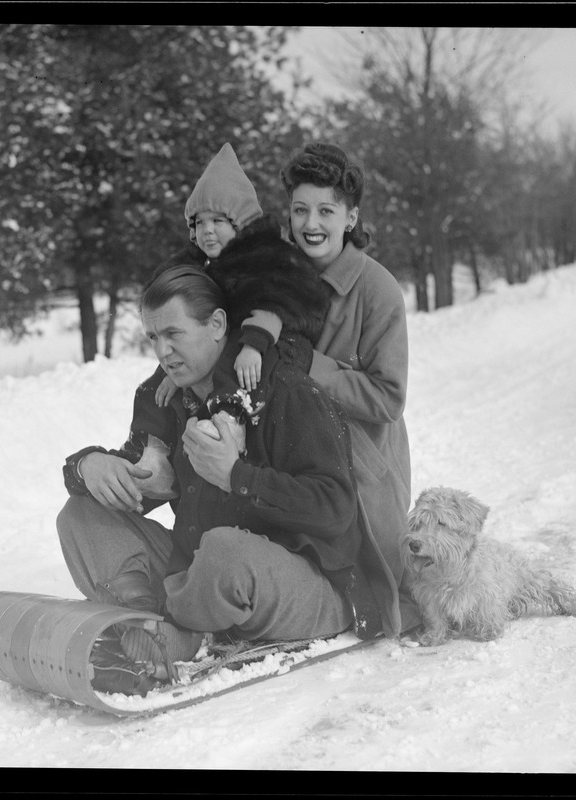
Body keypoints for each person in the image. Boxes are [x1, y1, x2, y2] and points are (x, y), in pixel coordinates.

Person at [57, 266, 362, 686]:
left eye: (173, 334)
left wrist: (238, 476)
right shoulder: (171, 400)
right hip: (202, 581)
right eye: (152, 338)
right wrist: (88, 466)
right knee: (80, 517)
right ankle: (146, 625)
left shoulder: (287, 390)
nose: (161, 351)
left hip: (298, 586)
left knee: (224, 549)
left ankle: (181, 635)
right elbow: (136, 480)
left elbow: (336, 509)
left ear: (217, 325)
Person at [131, 143, 328, 497]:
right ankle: (154, 451)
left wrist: (254, 344)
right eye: (200, 223)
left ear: (241, 222)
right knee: (154, 386)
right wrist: (176, 370)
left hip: (274, 343)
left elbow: (276, 300)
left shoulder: (263, 256)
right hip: (231, 342)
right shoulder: (199, 266)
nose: (208, 231)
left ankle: (228, 423)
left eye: (218, 221)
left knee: (231, 364)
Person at [280, 142, 420, 637]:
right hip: (292, 454)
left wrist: (311, 367)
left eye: (325, 210)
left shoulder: (378, 289)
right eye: (300, 210)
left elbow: (388, 398)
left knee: (385, 593)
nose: (311, 224)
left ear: (350, 216)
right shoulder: (277, 276)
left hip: (361, 465)